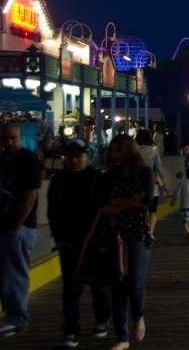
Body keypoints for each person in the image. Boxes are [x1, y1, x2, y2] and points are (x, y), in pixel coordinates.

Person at [47, 139, 112, 348]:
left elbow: (105, 210)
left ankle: (102, 319)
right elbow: (53, 211)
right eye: (70, 156)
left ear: (86, 156)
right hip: (68, 243)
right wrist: (59, 238)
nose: (74, 160)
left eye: (78, 155)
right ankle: (71, 328)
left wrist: (100, 238)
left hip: (93, 242)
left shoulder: (96, 179)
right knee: (71, 288)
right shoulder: (58, 180)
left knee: (99, 284)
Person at [100, 134, 154, 350]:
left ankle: (138, 315)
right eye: (112, 151)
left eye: (119, 150)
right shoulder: (108, 177)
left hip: (138, 233)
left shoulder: (144, 173)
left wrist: (117, 203)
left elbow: (146, 202)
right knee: (118, 286)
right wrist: (130, 202)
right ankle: (122, 337)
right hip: (114, 236)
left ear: (129, 152)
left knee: (136, 283)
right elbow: (103, 206)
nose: (114, 155)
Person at [0, 122, 41, 337]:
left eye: (12, 138)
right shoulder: (4, 160)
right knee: (6, 271)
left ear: (20, 137)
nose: (9, 142)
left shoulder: (28, 160)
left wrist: (18, 224)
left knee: (15, 271)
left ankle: (17, 317)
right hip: (5, 225)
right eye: (5, 138)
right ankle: (13, 314)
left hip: (19, 227)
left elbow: (31, 194)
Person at [135, 130, 168, 241]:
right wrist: (166, 185)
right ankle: (150, 233)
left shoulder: (133, 152)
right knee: (153, 210)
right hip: (152, 187)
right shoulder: (154, 152)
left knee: (139, 210)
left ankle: (139, 231)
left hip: (136, 186)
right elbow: (160, 170)